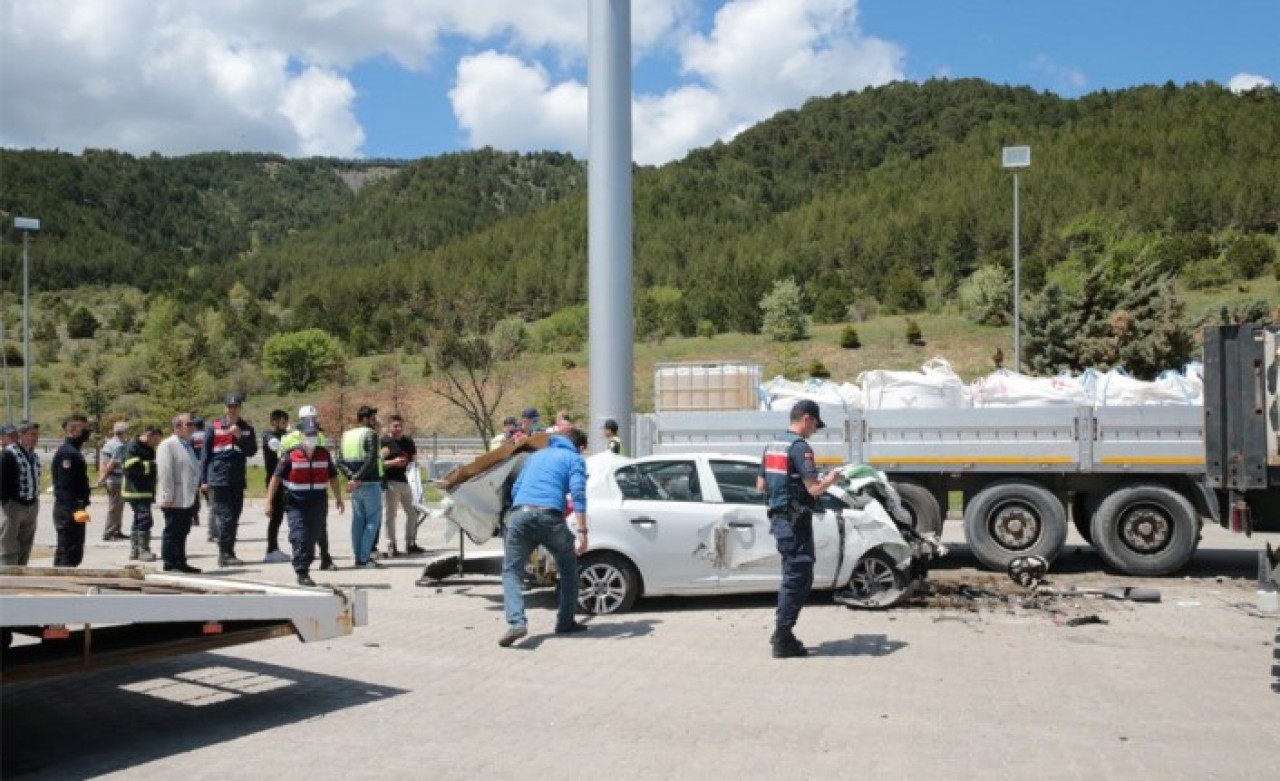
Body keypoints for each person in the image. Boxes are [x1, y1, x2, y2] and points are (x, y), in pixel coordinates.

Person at [756, 399, 842, 659]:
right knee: (797, 578)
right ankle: (783, 637)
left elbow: (760, 486)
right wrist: (831, 479)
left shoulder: (773, 446)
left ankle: (782, 631)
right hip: (795, 522)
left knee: (793, 575)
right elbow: (813, 489)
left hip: (779, 520)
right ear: (806, 419)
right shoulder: (800, 448)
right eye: (815, 424)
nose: (815, 430)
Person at [498, 427, 591, 648]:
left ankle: (516, 623)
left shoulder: (536, 456)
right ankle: (565, 622)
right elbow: (578, 494)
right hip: (551, 517)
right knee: (568, 570)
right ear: (580, 447)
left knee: (511, 572)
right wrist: (582, 532)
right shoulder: (574, 459)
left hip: (520, 515)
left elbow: (516, 489)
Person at [265, 418, 344, 587]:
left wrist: (338, 498)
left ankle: (304, 558)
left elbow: (333, 477)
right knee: (300, 536)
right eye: (308, 433)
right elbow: (276, 478)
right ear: (301, 435)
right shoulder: (291, 455)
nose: (312, 436)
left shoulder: (324, 454)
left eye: (314, 433)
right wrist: (268, 501)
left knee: (313, 536)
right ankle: (302, 572)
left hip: (318, 502)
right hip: (296, 503)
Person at [200, 394, 257, 567]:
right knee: (225, 517)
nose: (232, 410)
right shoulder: (214, 427)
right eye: (229, 407)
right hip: (219, 478)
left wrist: (240, 437)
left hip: (237, 478)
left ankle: (229, 551)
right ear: (225, 408)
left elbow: (251, 451)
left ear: (240, 408)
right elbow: (205, 456)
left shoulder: (246, 428)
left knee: (234, 516)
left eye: (235, 407)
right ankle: (224, 554)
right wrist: (204, 480)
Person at [282, 405, 337, 570]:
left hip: (316, 489)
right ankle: (302, 553)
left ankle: (324, 556)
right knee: (300, 528)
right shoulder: (289, 438)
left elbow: (324, 460)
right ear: (301, 420)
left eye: (314, 418)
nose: (312, 422)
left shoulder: (319, 435)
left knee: (319, 526)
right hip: (295, 487)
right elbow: (283, 463)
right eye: (308, 419)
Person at [155, 414, 201, 573]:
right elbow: (165, 472)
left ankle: (181, 561)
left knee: (183, 530)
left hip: (187, 496)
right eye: (188, 424)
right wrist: (167, 495)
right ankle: (170, 563)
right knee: (172, 530)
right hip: (174, 497)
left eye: (192, 424)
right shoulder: (167, 445)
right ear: (177, 427)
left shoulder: (187, 445)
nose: (192, 427)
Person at [339, 405, 383, 568]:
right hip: (369, 483)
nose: (376, 421)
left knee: (358, 521)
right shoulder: (370, 434)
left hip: (355, 485)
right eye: (373, 418)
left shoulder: (346, 435)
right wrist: (358, 478)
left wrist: (352, 477)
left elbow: (339, 461)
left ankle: (358, 556)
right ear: (365, 419)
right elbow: (371, 459)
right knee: (372, 520)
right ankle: (364, 558)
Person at [52, 414, 92, 567]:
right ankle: (62, 580)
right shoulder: (68, 453)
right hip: (68, 510)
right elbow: (65, 485)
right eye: (83, 429)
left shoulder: (74, 451)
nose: (87, 432)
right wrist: (74, 508)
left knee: (74, 551)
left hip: (75, 508)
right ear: (72, 430)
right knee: (68, 553)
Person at [0, 422, 41, 565]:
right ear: (21, 435)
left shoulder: (33, 455)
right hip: (14, 506)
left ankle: (22, 570)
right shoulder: (9, 454)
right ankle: (7, 572)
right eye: (32, 435)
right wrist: (7, 503)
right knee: (8, 544)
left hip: (31, 504)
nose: (36, 438)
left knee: (26, 542)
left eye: (37, 435)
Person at [380, 413, 421, 557]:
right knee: (391, 515)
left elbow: (414, 460)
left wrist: (414, 468)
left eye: (400, 426)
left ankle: (411, 543)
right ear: (389, 427)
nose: (398, 429)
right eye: (395, 426)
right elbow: (379, 463)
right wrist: (394, 462)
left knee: (413, 513)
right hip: (391, 483)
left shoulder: (408, 442)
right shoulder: (385, 443)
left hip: (407, 482)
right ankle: (391, 546)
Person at [121, 425, 162, 562]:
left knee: (138, 519)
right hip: (135, 491)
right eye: (155, 440)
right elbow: (130, 468)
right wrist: (152, 465)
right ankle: (143, 551)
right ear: (149, 435)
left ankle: (135, 551)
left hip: (145, 491)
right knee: (145, 520)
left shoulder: (148, 448)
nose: (156, 443)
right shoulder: (133, 446)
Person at [262, 409, 290, 563]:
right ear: (274, 422)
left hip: (286, 480)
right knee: (276, 515)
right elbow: (273, 444)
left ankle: (275, 548)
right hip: (274, 480)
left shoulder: (285, 435)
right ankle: (271, 549)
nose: (285, 425)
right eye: (283, 422)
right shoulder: (268, 435)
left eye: (286, 422)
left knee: (284, 514)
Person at [96, 421, 130, 541]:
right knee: (115, 507)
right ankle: (109, 532)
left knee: (118, 507)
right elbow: (111, 464)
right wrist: (103, 478)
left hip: (114, 479)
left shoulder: (110, 444)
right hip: (115, 479)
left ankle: (116, 530)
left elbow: (103, 463)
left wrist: (102, 477)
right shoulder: (118, 446)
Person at [189, 416, 209, 536]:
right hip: (206, 467)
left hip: (195, 467)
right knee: (208, 493)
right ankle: (213, 514)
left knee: (194, 494)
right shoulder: (207, 434)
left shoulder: (192, 437)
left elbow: (189, 451)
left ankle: (195, 517)